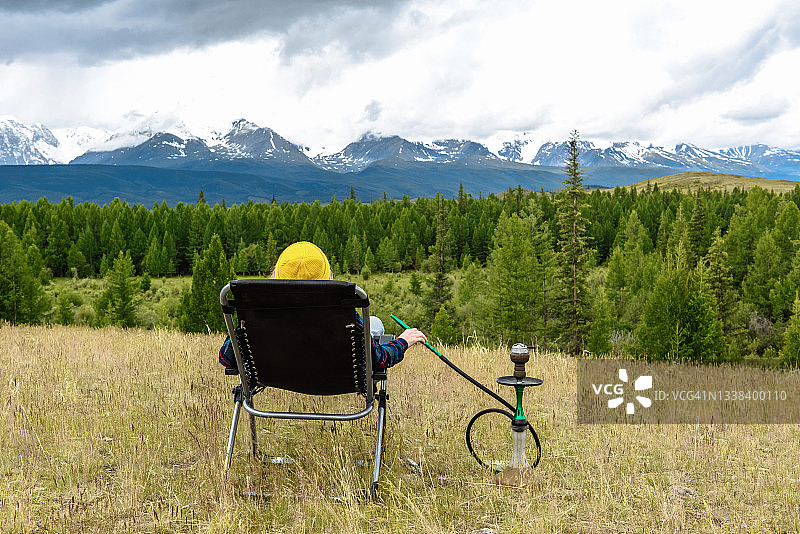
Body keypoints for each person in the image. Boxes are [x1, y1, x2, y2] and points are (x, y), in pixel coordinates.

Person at [219, 241, 427, 371]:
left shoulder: (258, 307)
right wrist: (402, 342)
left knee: (372, 323)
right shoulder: (339, 307)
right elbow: (378, 360)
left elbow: (227, 358)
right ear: (326, 274)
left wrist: (241, 330)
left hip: (277, 369)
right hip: (336, 371)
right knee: (374, 324)